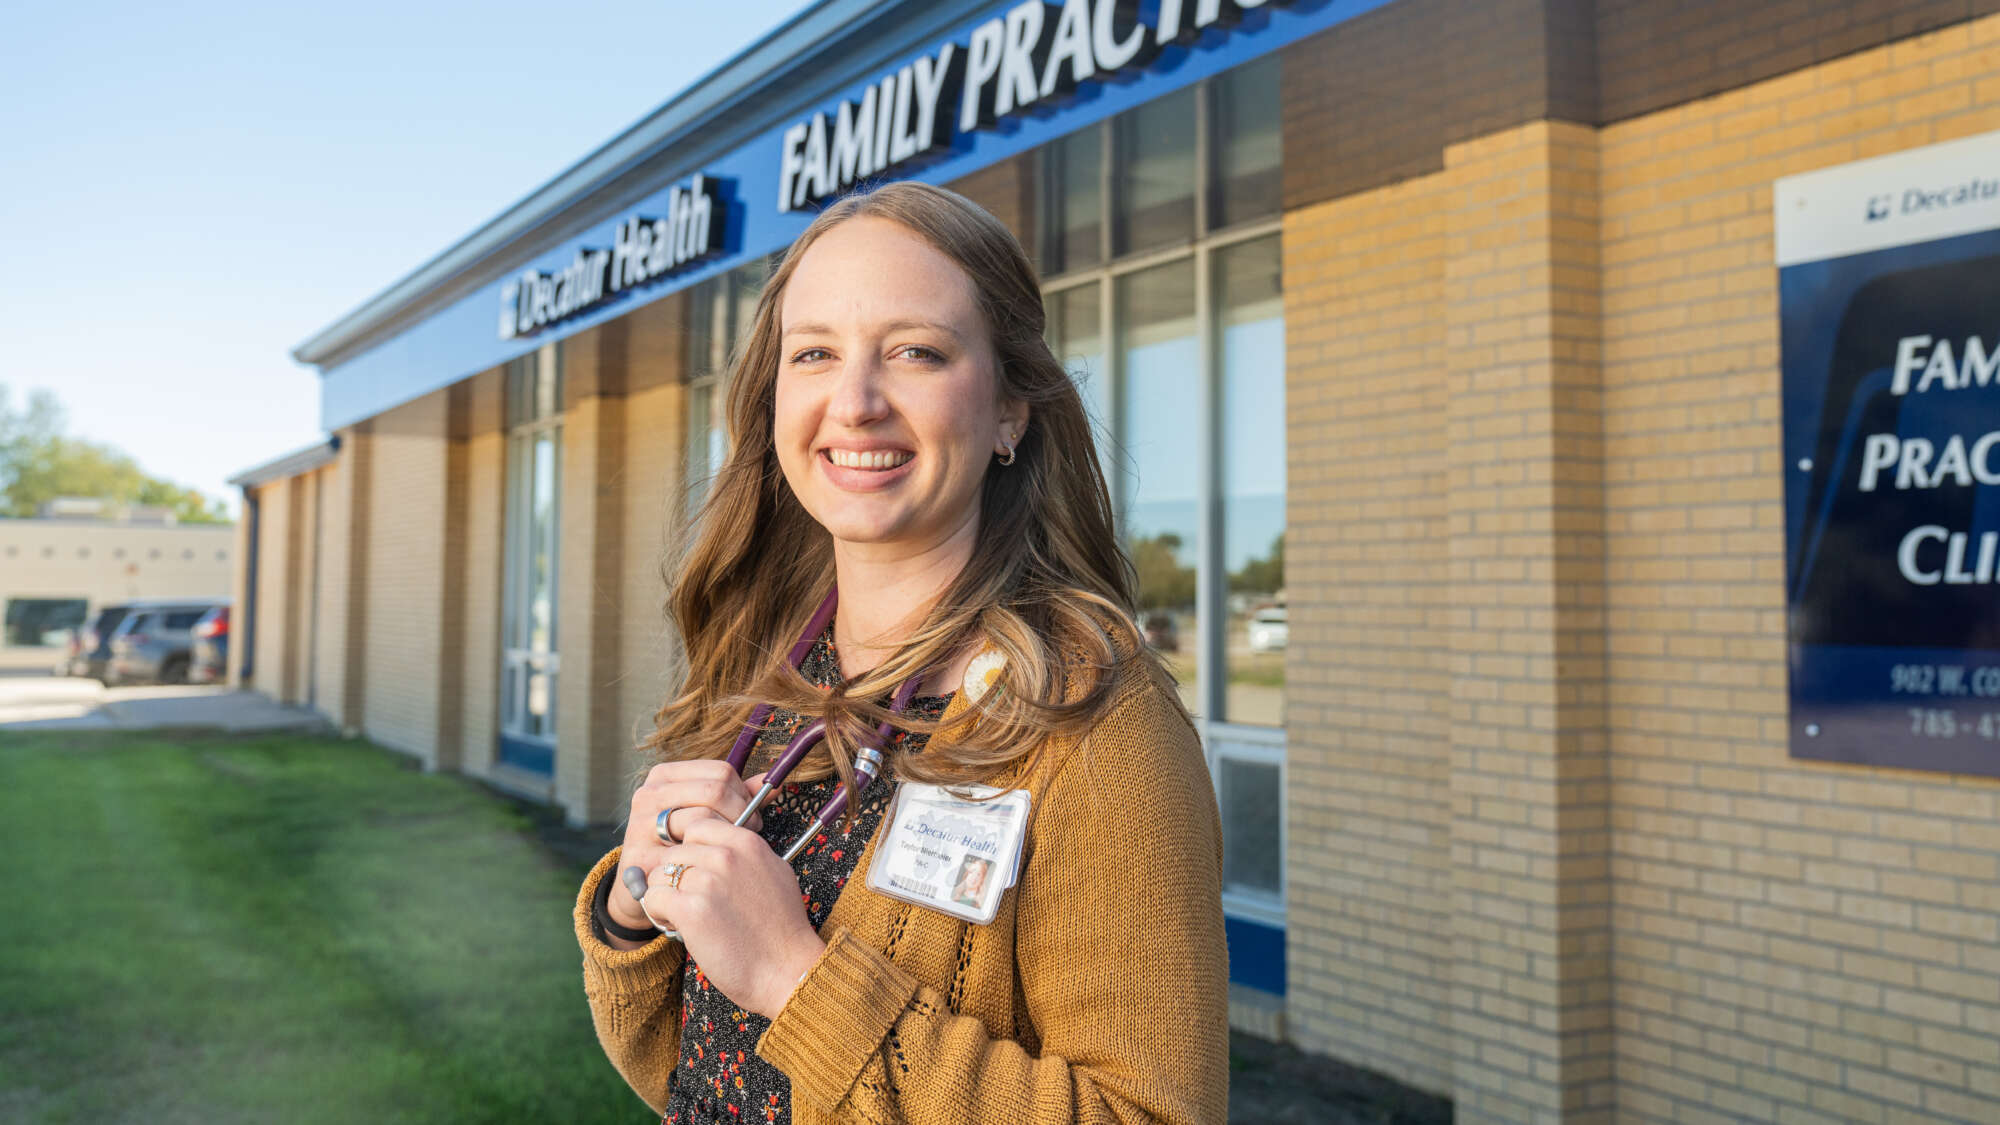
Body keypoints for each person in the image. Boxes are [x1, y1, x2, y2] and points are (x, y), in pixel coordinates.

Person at [572, 180, 1226, 1125]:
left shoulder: (1098, 723)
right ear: (771, 403)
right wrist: (636, 907)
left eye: (916, 351)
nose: (856, 400)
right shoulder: (774, 675)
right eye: (815, 354)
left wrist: (799, 982)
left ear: (1009, 410)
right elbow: (710, 1076)